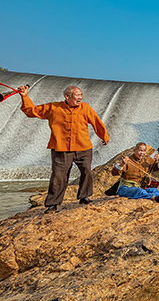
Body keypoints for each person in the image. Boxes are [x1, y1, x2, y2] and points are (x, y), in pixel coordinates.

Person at [18, 85, 109, 214]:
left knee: (87, 172)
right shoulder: (53, 108)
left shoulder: (86, 108)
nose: (80, 98)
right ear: (67, 96)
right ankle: (53, 204)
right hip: (61, 148)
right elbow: (31, 111)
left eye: (81, 95)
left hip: (83, 147)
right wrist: (24, 96)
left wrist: (104, 136)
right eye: (77, 95)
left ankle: (84, 197)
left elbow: (96, 122)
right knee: (58, 176)